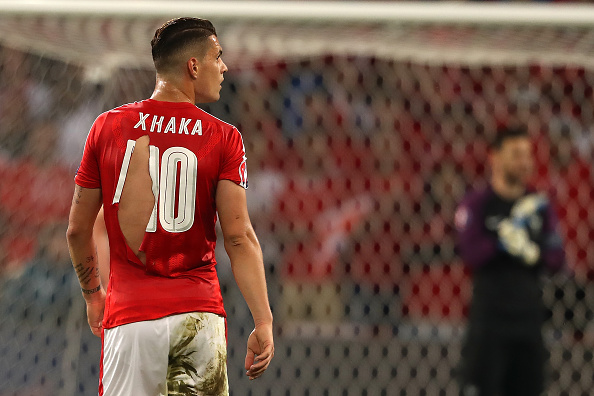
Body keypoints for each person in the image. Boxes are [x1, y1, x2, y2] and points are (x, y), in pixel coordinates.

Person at [66, 17, 274, 395]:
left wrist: (93, 296)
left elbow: (77, 230)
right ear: (193, 66)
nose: (224, 67)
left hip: (129, 319)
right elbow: (239, 237)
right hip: (196, 316)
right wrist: (264, 321)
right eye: (218, 56)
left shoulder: (107, 127)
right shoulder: (223, 138)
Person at [455, 127, 565, 396]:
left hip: (528, 320)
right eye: (516, 154)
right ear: (495, 158)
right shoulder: (477, 203)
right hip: (489, 321)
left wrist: (530, 251)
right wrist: (503, 242)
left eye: (527, 155)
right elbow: (471, 252)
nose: (524, 162)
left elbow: (556, 257)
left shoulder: (538, 206)